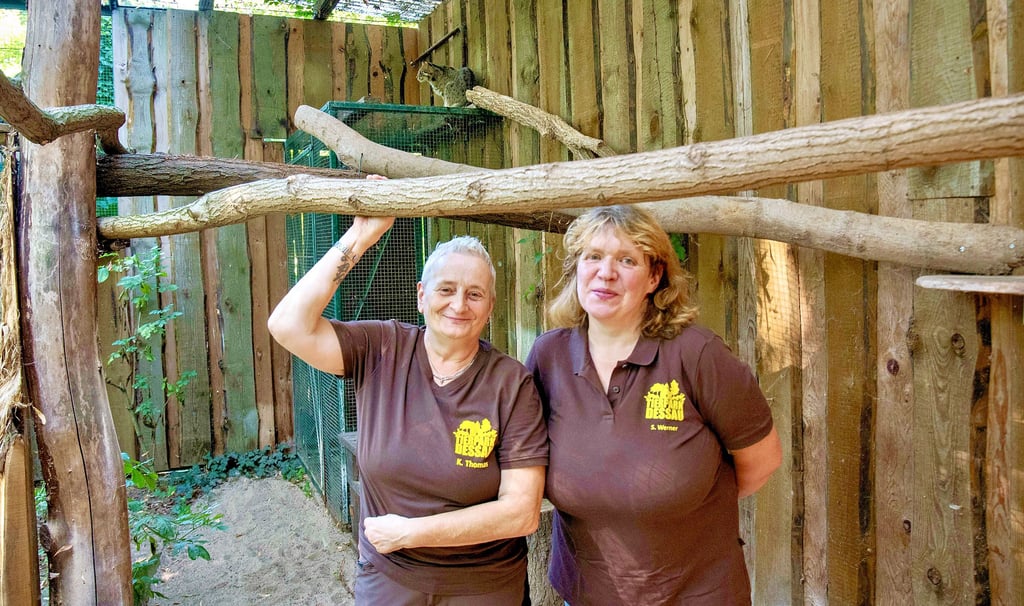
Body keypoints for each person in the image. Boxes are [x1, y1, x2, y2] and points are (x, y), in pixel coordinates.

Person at [268, 194, 548, 605]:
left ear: (490, 307)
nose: (458, 304)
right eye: (446, 289)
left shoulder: (511, 384)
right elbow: (287, 325)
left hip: (484, 584)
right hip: (389, 577)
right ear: (421, 295)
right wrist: (361, 235)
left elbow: (520, 513)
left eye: (474, 294)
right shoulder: (382, 348)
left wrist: (411, 533)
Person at [525, 205, 782, 605]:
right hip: (587, 592)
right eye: (593, 257)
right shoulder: (549, 357)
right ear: (576, 269)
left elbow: (761, 460)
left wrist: (672, 503)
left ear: (654, 276)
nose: (606, 272)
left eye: (626, 260)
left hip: (697, 592)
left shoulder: (697, 355)